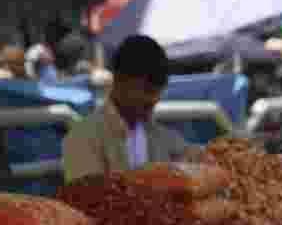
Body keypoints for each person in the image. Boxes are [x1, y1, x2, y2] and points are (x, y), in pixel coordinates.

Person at [62, 35, 188, 182]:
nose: (153, 100)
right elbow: (86, 201)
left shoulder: (162, 137)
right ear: (120, 81)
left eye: (158, 92)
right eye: (147, 90)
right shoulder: (81, 139)